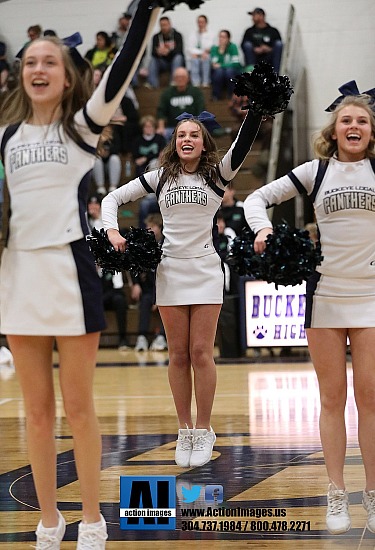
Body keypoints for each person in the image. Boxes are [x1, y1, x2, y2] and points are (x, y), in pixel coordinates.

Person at [0, 1, 162, 547]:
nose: (39, 69)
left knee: (80, 406)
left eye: (50, 61)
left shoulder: (80, 128)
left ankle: (91, 516)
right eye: (30, 62)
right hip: (19, 273)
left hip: (70, 272)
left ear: (67, 75)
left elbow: (120, 70)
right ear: (21, 73)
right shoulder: (5, 137)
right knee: (37, 413)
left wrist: (149, 9)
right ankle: (50, 519)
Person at [101, 105, 263, 468]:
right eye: (181, 135)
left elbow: (243, 142)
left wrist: (256, 111)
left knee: (202, 353)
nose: (187, 139)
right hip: (170, 270)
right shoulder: (159, 178)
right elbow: (111, 199)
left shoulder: (217, 176)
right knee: (178, 355)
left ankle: (204, 429)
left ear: (204, 144)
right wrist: (111, 229)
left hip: (205, 269)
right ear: (173, 143)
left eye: (193, 135)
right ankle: (184, 429)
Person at [243, 91, 375, 535]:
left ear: (372, 131)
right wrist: (262, 230)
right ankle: (336, 493)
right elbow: (255, 199)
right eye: (346, 121)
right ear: (333, 130)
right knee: (332, 399)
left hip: (372, 296)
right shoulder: (315, 171)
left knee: (371, 402)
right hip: (325, 297)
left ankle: (372, 497)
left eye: (362, 121)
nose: (353, 126)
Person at [88, 197, 130, 350]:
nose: (93, 207)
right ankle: (90, 342)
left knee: (119, 299)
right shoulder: (87, 225)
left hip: (110, 286)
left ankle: (123, 339)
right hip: (95, 286)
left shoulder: (108, 228)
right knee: (89, 299)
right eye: (90, 205)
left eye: (95, 204)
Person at [131, 213, 167, 352]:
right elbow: (135, 266)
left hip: (165, 289)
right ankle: (141, 337)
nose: (148, 229)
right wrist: (136, 284)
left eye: (151, 226)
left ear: (159, 227)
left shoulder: (167, 245)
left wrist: (157, 298)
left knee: (167, 302)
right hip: (148, 290)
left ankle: (162, 337)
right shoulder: (144, 245)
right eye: (147, 226)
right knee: (146, 301)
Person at [156, 67, 205, 142]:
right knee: (162, 135)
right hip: (173, 127)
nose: (180, 79)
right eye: (177, 77)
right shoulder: (167, 93)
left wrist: (196, 126)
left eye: (182, 77)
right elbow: (161, 111)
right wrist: (161, 127)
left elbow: (201, 110)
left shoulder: (195, 92)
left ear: (188, 79)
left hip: (192, 126)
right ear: (174, 79)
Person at [241, 7, 283, 73]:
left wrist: (269, 49)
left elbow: (279, 45)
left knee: (279, 44)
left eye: (254, 15)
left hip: (269, 57)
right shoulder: (249, 31)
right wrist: (255, 49)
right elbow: (243, 45)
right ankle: (251, 72)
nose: (252, 18)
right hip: (255, 57)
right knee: (247, 45)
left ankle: (276, 74)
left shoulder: (273, 31)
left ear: (261, 16)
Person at [147, 16, 184, 89]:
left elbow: (179, 50)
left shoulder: (177, 35)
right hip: (162, 61)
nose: (163, 27)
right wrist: (159, 52)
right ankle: (153, 85)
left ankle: (174, 83)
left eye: (165, 25)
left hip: (174, 61)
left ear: (170, 24)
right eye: (161, 25)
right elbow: (153, 52)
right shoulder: (156, 37)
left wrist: (168, 51)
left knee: (178, 58)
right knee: (153, 60)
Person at [210, 30, 242, 101]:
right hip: (220, 72)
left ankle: (232, 95)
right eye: (220, 37)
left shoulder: (233, 47)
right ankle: (216, 96)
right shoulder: (214, 48)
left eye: (224, 37)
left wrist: (221, 65)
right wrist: (221, 51)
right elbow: (214, 64)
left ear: (228, 38)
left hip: (233, 71)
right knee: (219, 72)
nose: (221, 39)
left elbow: (235, 63)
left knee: (229, 71)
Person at [187, 14, 214, 88]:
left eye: (202, 22)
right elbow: (190, 47)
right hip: (196, 55)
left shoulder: (211, 33)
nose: (200, 24)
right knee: (194, 59)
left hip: (206, 55)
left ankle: (206, 82)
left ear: (206, 23)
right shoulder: (193, 34)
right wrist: (200, 53)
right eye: (199, 22)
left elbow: (209, 47)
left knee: (206, 58)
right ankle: (195, 83)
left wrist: (203, 53)